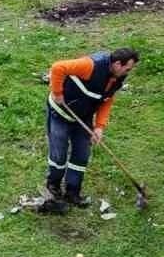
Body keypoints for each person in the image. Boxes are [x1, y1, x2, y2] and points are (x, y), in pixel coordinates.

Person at [44, 47, 139, 207]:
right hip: (60, 113)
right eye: (127, 68)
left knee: (81, 155)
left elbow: (106, 100)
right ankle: (53, 185)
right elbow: (57, 67)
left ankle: (72, 192)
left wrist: (99, 127)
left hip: (83, 117)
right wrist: (58, 92)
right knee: (59, 153)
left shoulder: (116, 79)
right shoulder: (90, 65)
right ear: (117, 64)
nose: (128, 72)